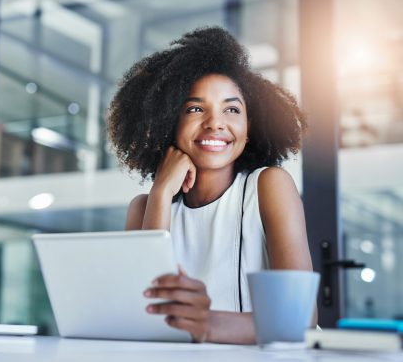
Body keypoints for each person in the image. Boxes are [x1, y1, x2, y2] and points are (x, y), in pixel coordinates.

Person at [108, 27, 314, 344]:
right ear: (168, 122)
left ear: (249, 127)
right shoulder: (144, 207)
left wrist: (207, 324)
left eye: (232, 109)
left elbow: (299, 318)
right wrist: (161, 193)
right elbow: (142, 317)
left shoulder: (268, 186)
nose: (215, 123)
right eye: (195, 108)